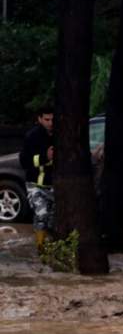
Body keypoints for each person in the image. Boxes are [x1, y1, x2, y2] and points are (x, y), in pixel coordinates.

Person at [19, 106, 55, 252]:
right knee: (42, 214)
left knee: (53, 219)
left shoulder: (61, 134)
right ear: (39, 119)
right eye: (47, 119)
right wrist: (44, 157)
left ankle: (52, 247)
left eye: (53, 119)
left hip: (55, 185)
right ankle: (40, 248)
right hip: (36, 185)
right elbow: (24, 161)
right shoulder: (32, 136)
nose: (50, 123)